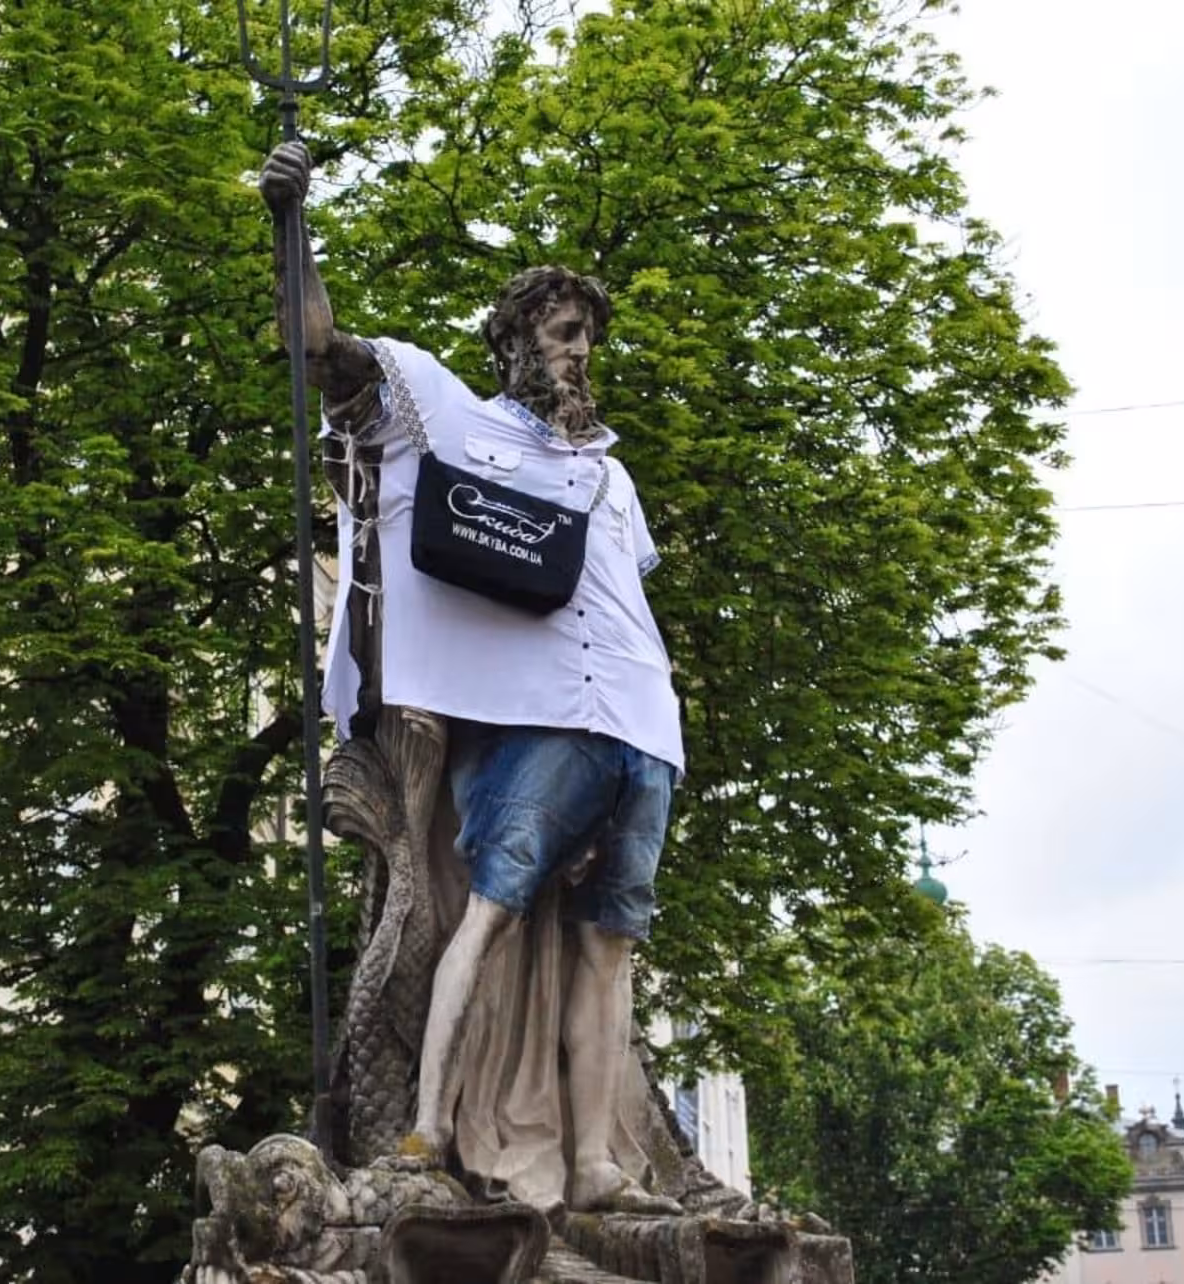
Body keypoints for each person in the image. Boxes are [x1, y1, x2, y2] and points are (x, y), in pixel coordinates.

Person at [260, 141, 683, 1215]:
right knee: (484, 919)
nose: (581, 353)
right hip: (533, 721)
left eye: (588, 337)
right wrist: (290, 224)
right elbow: (320, 349)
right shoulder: (446, 416)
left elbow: (627, 596)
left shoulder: (615, 476)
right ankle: (426, 1132)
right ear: (513, 342)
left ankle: (594, 1166)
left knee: (609, 951)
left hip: (643, 724)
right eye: (563, 333)